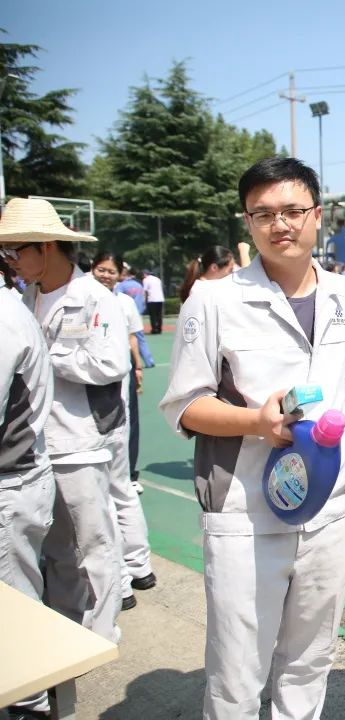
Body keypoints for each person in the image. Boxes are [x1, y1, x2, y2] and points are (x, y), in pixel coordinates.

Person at [159, 157, 345, 719]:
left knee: (309, 661)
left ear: (317, 216)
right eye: (263, 214)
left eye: (292, 211)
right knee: (237, 673)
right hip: (245, 510)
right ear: (247, 223)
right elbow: (185, 405)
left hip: (330, 508)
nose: (280, 224)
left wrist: (344, 406)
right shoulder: (213, 300)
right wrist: (259, 422)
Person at [0, 197, 128, 644]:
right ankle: (68, 633)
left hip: (80, 441)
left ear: (47, 246)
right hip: (38, 446)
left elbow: (110, 363)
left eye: (15, 250)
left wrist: (44, 355)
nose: (9, 260)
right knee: (57, 550)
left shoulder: (94, 297)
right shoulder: (26, 296)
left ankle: (102, 634)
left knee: (94, 545)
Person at [0, 289, 57, 718]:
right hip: (19, 478)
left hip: (12, 483)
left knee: (14, 611)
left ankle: (30, 705)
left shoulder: (4, 318)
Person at [91, 251, 156, 607]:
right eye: (100, 269)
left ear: (120, 275)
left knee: (110, 491)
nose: (106, 275)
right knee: (117, 488)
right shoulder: (88, 297)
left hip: (105, 406)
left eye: (111, 271)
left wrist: (139, 367)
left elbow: (132, 340)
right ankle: (133, 571)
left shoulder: (117, 303)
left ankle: (130, 574)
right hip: (105, 406)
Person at [116, 262, 155, 369]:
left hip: (126, 317)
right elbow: (143, 299)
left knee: (128, 339)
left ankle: (129, 362)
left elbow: (116, 299)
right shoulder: (138, 285)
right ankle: (149, 361)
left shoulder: (121, 286)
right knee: (141, 339)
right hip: (138, 314)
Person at [142, 267, 165, 334]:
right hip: (160, 299)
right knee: (159, 315)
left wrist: (144, 301)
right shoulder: (157, 279)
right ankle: (159, 329)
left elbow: (145, 291)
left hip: (152, 299)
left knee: (153, 315)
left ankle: (154, 329)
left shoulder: (145, 280)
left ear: (144, 274)